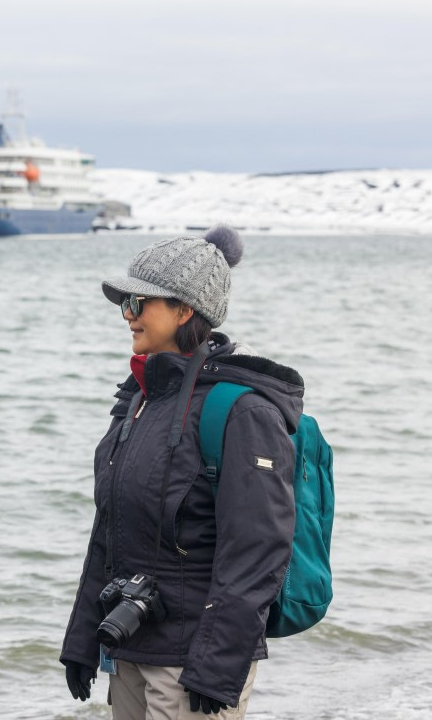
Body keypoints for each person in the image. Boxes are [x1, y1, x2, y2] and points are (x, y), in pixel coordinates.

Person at [59, 226, 301, 719]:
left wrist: (217, 666)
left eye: (138, 302)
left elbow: (258, 549)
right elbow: (110, 530)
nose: (127, 315)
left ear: (185, 310)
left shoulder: (242, 411)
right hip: (128, 647)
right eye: (124, 303)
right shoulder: (140, 399)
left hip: (194, 664)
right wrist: (83, 637)